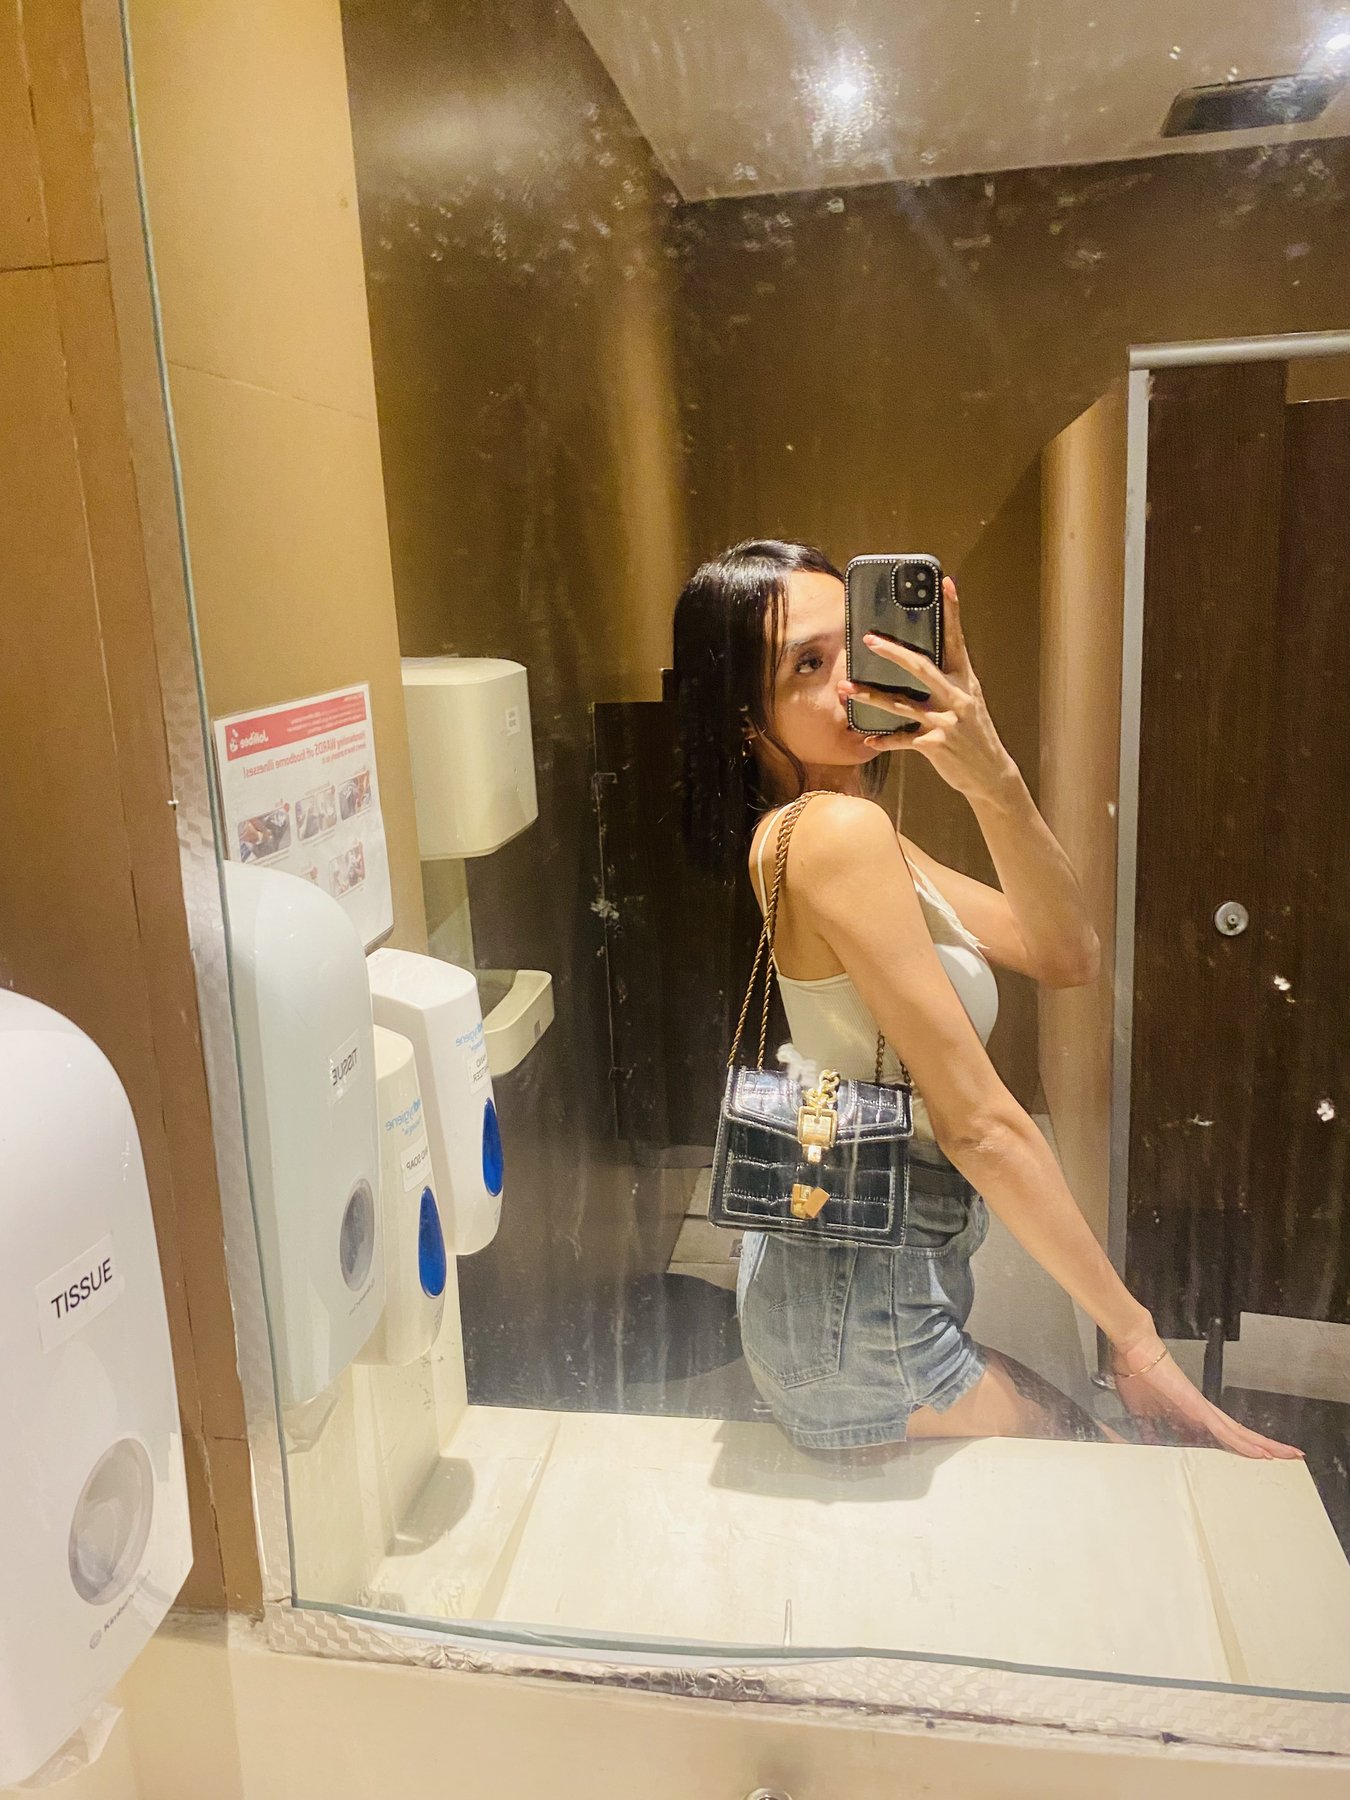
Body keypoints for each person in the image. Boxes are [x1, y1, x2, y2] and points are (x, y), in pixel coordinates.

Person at [672, 538, 1300, 1460]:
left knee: (1077, 1449)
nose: (851, 678)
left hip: (851, 1281)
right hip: (860, 1311)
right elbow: (980, 1126)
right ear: (742, 716)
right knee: (1094, 1465)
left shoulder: (854, 833)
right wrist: (1136, 1340)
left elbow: (1065, 952)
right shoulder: (833, 834)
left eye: (855, 641)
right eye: (806, 664)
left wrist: (988, 771)